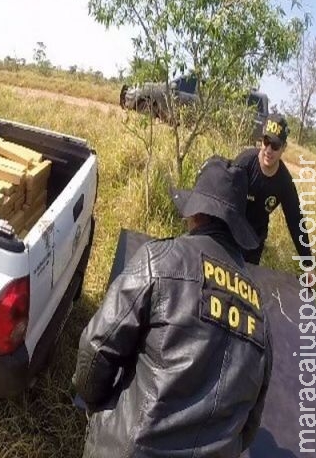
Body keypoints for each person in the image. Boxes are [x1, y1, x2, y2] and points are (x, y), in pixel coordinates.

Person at [74, 156, 272, 458]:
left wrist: (99, 410)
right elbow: (249, 426)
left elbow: (95, 349)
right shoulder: (260, 312)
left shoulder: (160, 261)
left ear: (196, 215)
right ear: (237, 229)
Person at [233, 113, 313, 265]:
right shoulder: (245, 162)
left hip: (254, 240)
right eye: (266, 142)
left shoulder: (284, 182)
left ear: (284, 148)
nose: (268, 150)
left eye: (275, 146)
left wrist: (308, 263)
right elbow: (223, 197)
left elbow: (295, 220)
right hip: (231, 232)